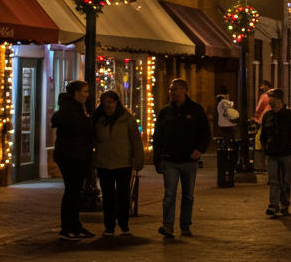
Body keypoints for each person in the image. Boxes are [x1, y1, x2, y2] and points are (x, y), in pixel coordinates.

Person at [153, 78, 212, 238]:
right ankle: (168, 226)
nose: (173, 93)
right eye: (171, 89)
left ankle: (185, 225)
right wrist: (157, 158)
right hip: (170, 160)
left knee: (188, 194)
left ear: (185, 91)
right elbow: (157, 136)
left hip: (188, 160)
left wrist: (199, 150)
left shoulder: (195, 110)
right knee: (169, 193)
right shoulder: (165, 112)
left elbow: (205, 133)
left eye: (177, 89)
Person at [91, 90, 144, 236]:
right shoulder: (97, 119)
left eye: (111, 102)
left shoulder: (127, 118)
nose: (109, 105)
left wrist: (138, 160)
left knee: (123, 195)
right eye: (106, 102)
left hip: (123, 163)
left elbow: (135, 140)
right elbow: (92, 139)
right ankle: (109, 226)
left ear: (116, 103)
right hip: (103, 163)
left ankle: (123, 223)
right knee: (107, 196)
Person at [51, 80, 95, 240]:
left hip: (77, 154)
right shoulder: (69, 109)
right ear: (75, 93)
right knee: (71, 191)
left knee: (75, 192)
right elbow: (63, 122)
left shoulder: (77, 108)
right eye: (84, 91)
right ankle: (67, 228)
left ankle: (75, 225)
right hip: (70, 156)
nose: (87, 95)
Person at [260, 89, 291, 217]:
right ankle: (273, 205)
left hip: (286, 152)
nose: (269, 101)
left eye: (271, 98)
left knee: (285, 180)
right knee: (273, 180)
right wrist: (264, 147)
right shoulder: (268, 115)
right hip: (272, 153)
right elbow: (263, 135)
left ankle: (285, 205)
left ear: (278, 99)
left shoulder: (289, 114)